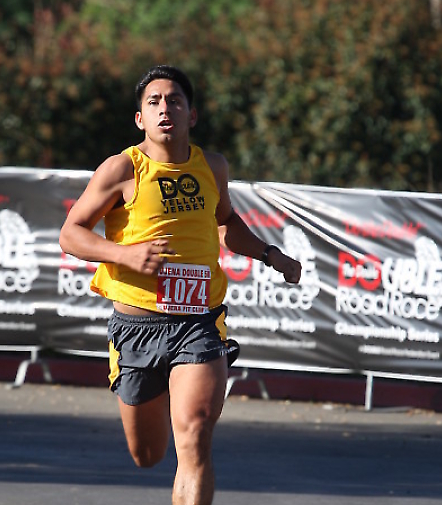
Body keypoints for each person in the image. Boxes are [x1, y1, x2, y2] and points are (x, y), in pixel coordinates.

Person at [59, 64, 302, 505]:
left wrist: (270, 254)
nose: (164, 109)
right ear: (140, 119)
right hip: (137, 328)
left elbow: (225, 222)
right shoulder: (121, 169)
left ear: (192, 115)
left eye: (174, 100)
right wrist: (125, 254)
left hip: (198, 323)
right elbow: (70, 234)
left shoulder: (212, 166)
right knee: (148, 454)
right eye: (153, 102)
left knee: (195, 435)